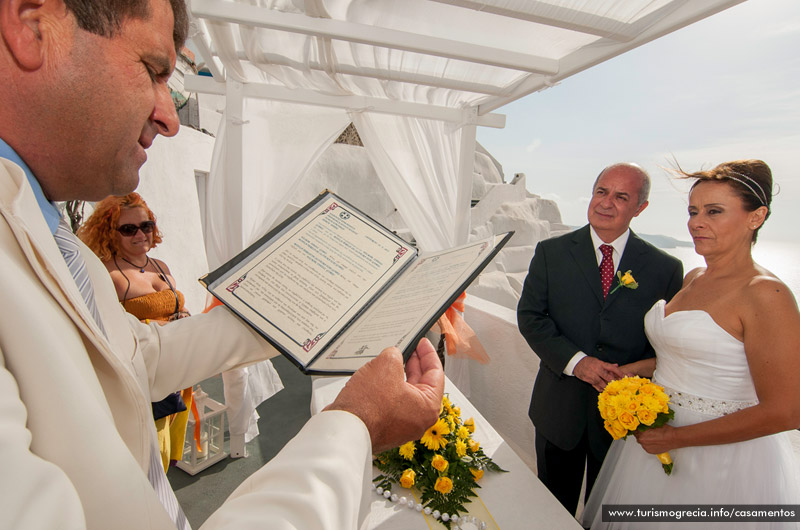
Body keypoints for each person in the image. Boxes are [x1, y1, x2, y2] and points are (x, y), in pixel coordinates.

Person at [0, 1, 444, 529]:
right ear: (33, 25)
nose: (168, 117)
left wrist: (306, 305)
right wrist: (357, 425)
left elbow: (136, 356)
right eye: (153, 70)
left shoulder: (54, 235)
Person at [582, 160, 800, 530]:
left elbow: (786, 411)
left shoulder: (766, 294)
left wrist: (676, 436)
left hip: (721, 464)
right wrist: (633, 373)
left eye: (714, 212)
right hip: (655, 445)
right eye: (693, 211)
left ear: (756, 217)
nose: (696, 222)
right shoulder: (695, 276)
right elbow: (687, 354)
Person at [517, 163, 684, 515]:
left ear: (641, 208)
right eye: (601, 192)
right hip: (558, 412)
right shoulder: (551, 253)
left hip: (625, 422)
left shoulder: (665, 269)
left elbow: (668, 345)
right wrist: (578, 363)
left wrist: (635, 373)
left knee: (609, 515)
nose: (606, 203)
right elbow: (531, 318)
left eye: (621, 196)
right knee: (549, 510)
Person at [79, 192, 193, 471]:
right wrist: (163, 327)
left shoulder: (160, 267)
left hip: (177, 371)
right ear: (110, 233)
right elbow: (105, 331)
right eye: (129, 229)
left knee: (169, 442)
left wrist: (184, 319)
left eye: (146, 226)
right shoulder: (109, 275)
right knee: (149, 451)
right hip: (144, 377)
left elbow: (173, 310)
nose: (140, 234)